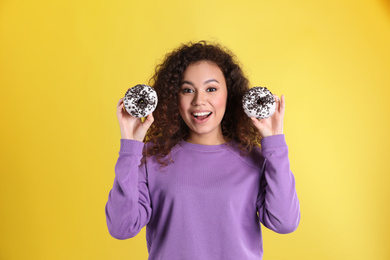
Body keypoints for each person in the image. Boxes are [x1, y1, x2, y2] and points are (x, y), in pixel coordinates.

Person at [105, 41, 300, 260]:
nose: (199, 101)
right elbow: (121, 228)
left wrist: (275, 143)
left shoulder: (254, 159)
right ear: (174, 98)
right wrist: (131, 146)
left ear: (230, 94)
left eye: (211, 89)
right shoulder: (150, 157)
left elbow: (284, 222)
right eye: (187, 90)